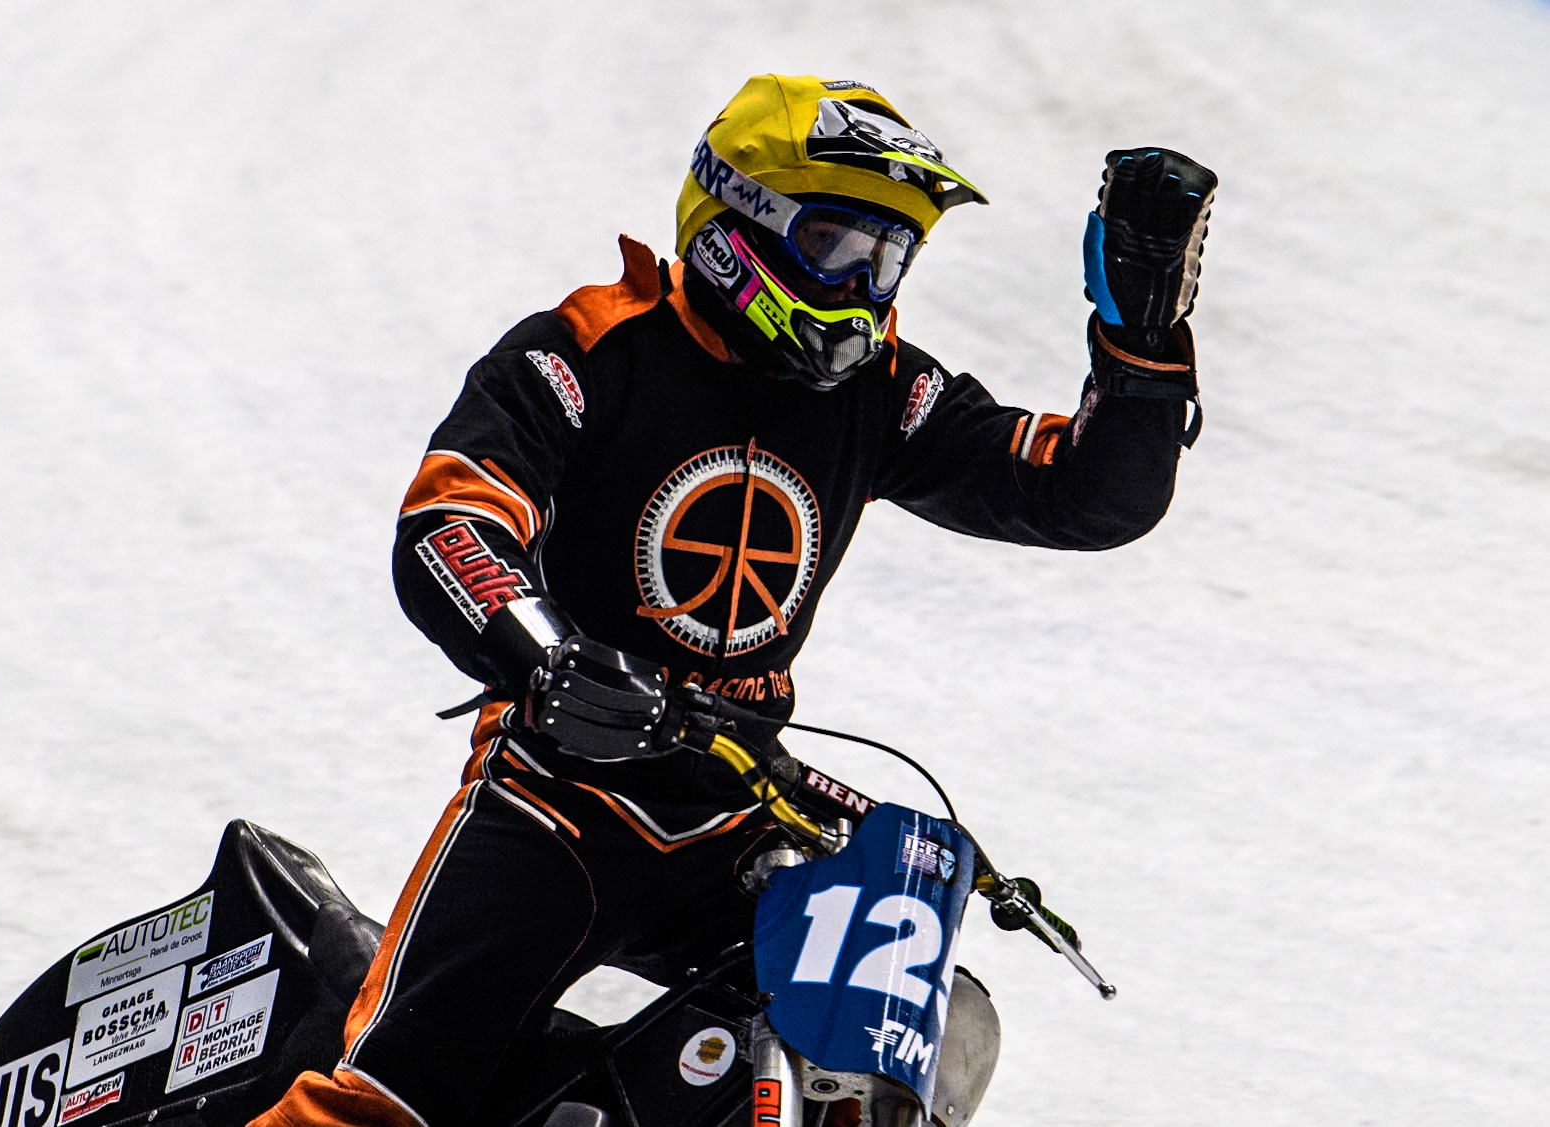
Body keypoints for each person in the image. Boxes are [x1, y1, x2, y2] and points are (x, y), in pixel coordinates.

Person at [252, 73, 1216, 1127]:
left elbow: (1085, 494)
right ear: (734, 225)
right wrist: (547, 655)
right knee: (385, 1104)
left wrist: (1142, 338)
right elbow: (451, 523)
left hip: (745, 813)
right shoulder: (590, 349)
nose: (863, 285)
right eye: (838, 244)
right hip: (558, 804)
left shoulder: (884, 389)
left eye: (889, 257)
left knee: (883, 1058)